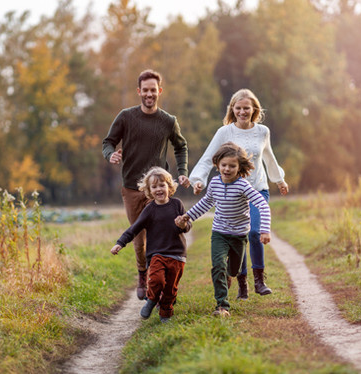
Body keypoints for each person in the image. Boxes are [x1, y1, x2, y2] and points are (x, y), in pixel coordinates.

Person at [188, 88, 288, 300]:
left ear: (254, 110)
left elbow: (269, 157)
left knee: (254, 232)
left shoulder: (263, 131)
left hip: (258, 188)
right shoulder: (225, 132)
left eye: (246, 108)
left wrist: (279, 180)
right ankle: (242, 283)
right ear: (232, 109)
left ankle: (259, 280)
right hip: (234, 191)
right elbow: (209, 157)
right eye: (239, 108)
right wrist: (198, 180)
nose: (243, 111)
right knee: (238, 235)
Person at [103, 69, 191, 300]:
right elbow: (108, 142)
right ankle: (143, 274)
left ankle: (158, 274)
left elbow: (181, 147)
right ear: (139, 92)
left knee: (162, 233)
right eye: (145, 90)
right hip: (132, 187)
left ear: (159, 91)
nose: (149, 94)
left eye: (153, 90)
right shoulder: (125, 117)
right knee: (139, 237)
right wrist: (110, 154)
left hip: (158, 189)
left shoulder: (168, 121)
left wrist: (182, 172)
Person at [176, 142, 271, 317]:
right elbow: (206, 203)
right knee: (218, 265)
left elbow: (262, 205)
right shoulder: (214, 182)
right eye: (224, 165)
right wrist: (187, 216)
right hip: (219, 232)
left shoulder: (243, 185)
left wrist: (264, 230)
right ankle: (222, 306)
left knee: (233, 270)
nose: (227, 169)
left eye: (232, 166)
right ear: (217, 164)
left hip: (239, 234)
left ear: (239, 167)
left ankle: (229, 277)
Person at [111, 167, 192, 323]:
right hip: (157, 254)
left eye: (162, 185)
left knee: (171, 289)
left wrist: (183, 225)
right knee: (156, 280)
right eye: (154, 187)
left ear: (169, 186)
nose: (159, 189)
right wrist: (120, 243)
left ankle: (165, 314)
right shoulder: (150, 210)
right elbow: (134, 228)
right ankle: (152, 300)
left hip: (177, 255)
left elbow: (188, 226)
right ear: (148, 190)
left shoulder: (177, 204)